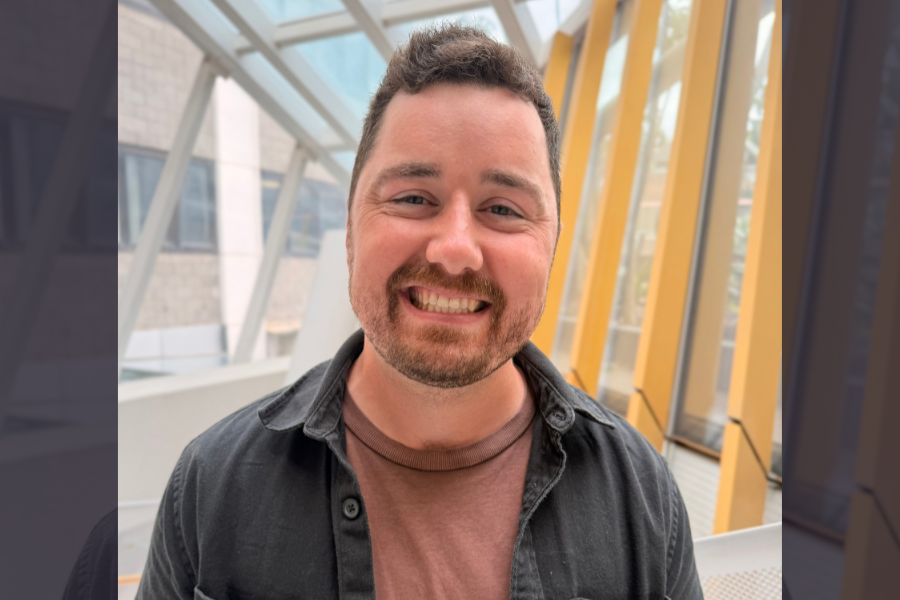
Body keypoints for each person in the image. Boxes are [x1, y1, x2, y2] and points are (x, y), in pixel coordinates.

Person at [137, 24, 703, 600]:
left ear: (553, 245)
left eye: (503, 208)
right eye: (412, 198)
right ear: (352, 224)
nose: (455, 248)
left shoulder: (641, 497)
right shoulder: (211, 487)